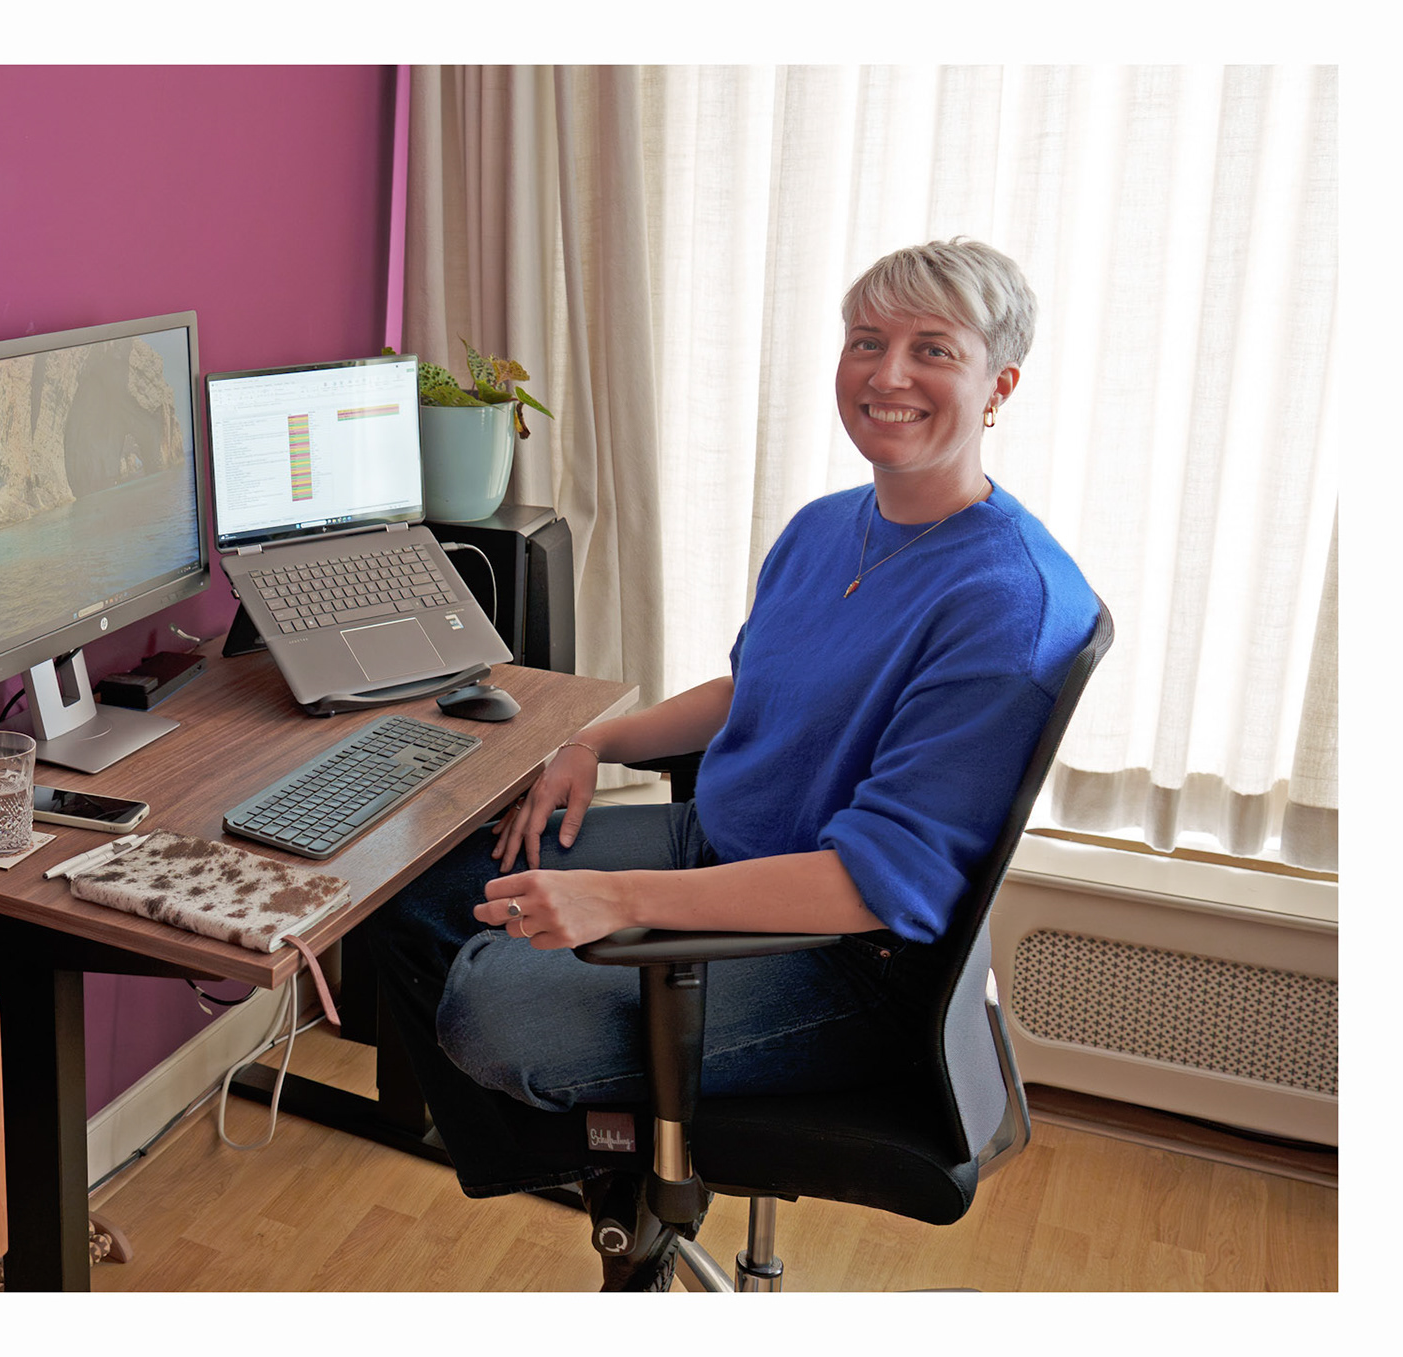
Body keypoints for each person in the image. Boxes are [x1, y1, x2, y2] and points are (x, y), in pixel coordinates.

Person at [363, 237, 1099, 1290]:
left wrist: (617, 898)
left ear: (1000, 387)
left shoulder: (1006, 604)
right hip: (721, 842)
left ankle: (621, 1177)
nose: (887, 373)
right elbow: (754, 691)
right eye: (866, 342)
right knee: (417, 887)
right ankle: (599, 1163)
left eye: (932, 349)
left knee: (489, 1009)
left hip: (840, 954)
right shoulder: (828, 526)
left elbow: (871, 884)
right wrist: (591, 741)